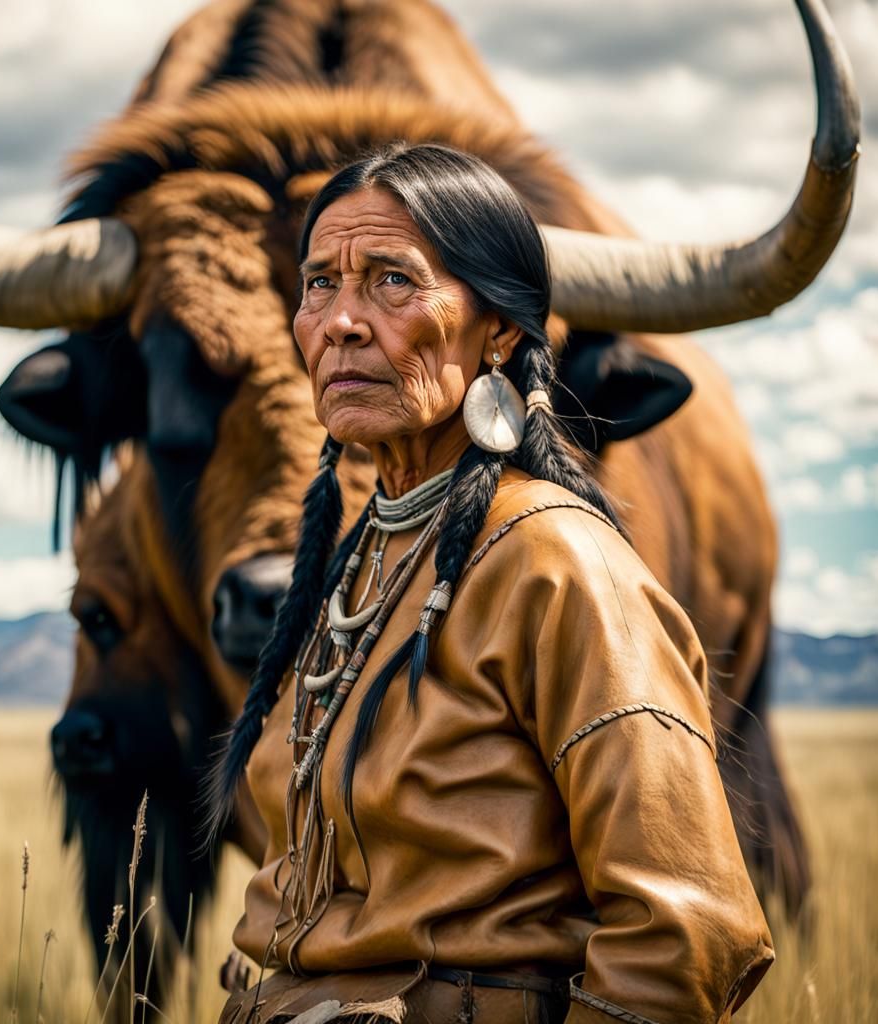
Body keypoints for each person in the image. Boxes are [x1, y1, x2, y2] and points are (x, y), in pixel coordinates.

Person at [206, 143, 773, 1024]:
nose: (342, 322)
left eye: (392, 281)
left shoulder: (559, 563)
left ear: (500, 331)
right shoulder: (362, 563)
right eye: (320, 283)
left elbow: (685, 937)